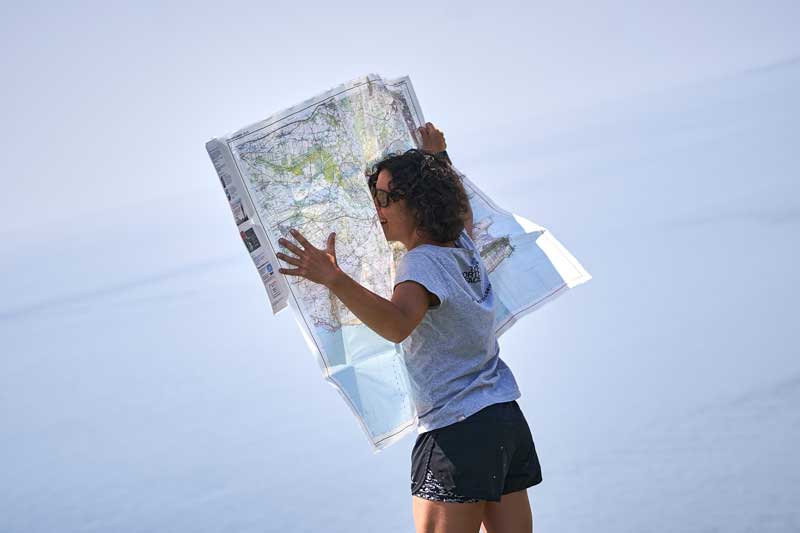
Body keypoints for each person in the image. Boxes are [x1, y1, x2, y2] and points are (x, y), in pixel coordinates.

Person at [276, 123, 542, 533]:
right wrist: (438, 159)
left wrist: (333, 278)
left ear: (417, 203)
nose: (377, 207)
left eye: (387, 197)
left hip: (457, 432)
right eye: (375, 196)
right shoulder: (461, 247)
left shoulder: (419, 264)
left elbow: (399, 324)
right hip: (503, 419)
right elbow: (465, 216)